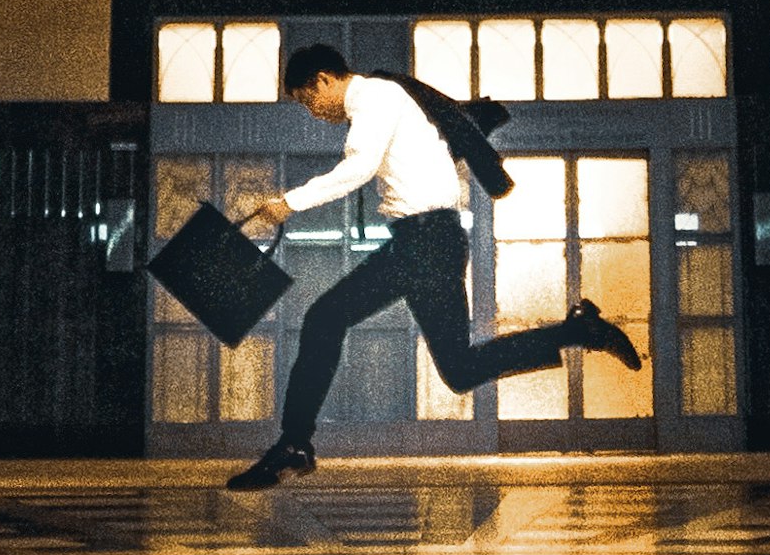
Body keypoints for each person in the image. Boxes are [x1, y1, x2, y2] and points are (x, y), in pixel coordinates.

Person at [225, 41, 638, 488]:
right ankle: (578, 330)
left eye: (308, 100)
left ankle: (294, 443)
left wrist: (290, 202)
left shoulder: (375, 97)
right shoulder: (386, 102)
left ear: (324, 79)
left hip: (425, 242)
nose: (312, 111)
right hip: (427, 241)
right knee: (460, 370)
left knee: (324, 318)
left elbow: (359, 166)